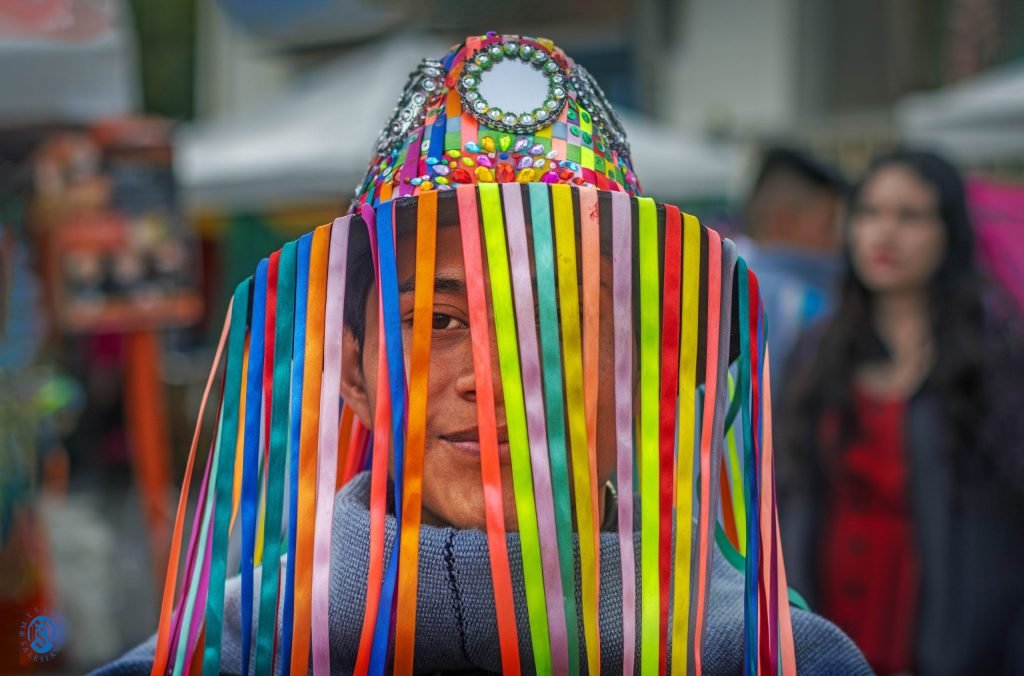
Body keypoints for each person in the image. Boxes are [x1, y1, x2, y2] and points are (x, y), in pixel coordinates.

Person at [96, 33, 869, 675]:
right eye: (437, 318)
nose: (496, 380)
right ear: (354, 372)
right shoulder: (225, 655)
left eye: (558, 320)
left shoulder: (774, 657)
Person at [780, 148, 1024, 675]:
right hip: (827, 633)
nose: (883, 234)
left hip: (949, 640)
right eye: (869, 212)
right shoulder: (816, 352)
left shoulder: (994, 361)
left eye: (909, 216)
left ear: (948, 231)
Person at [737, 146, 848, 396]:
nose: (840, 239)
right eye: (829, 224)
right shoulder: (798, 300)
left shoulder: (713, 278)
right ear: (784, 222)